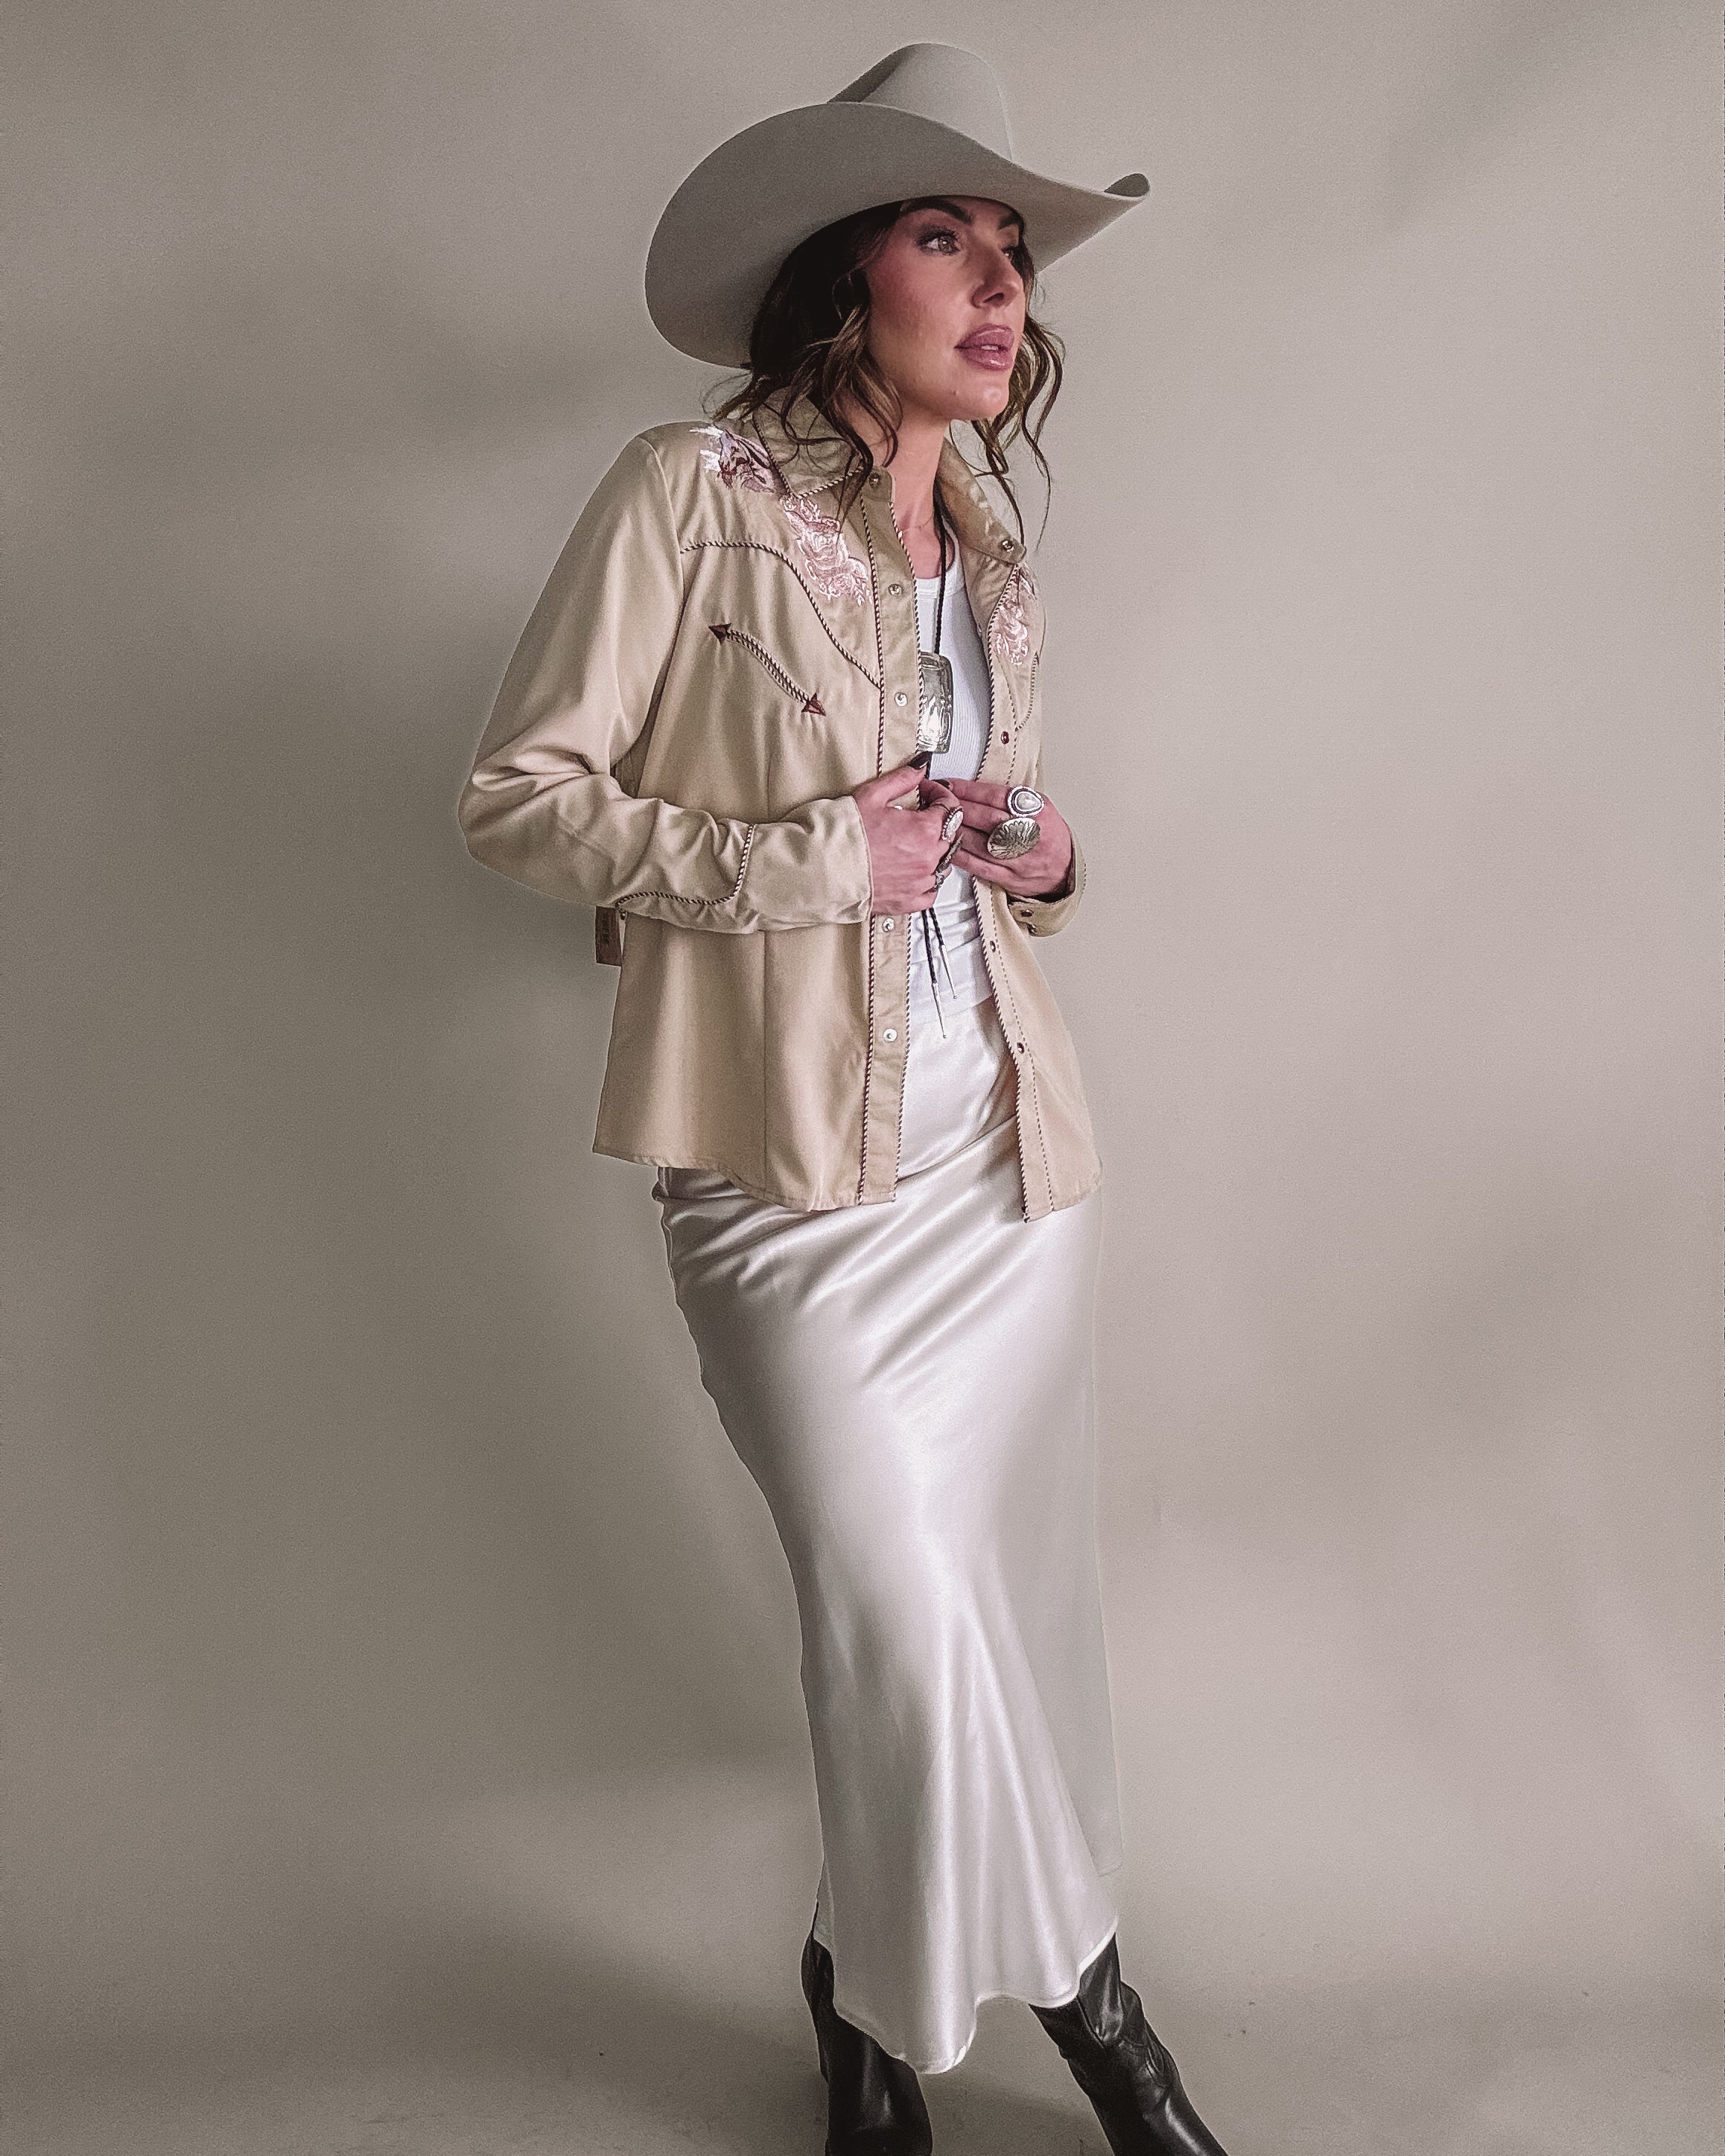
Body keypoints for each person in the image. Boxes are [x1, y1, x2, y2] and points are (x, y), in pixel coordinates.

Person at [459, 40, 1231, 2156]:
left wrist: (1046, 863)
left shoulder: (989, 551)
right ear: (834, 284)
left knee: (1001, 1610)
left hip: (999, 1154)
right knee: (893, 1604)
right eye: (943, 236)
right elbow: (514, 801)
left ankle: (862, 1996)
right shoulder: (681, 498)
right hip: (783, 1171)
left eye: (1010, 251)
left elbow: (973, 860)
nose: (999, 286)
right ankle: (1085, 2000)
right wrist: (810, 853)